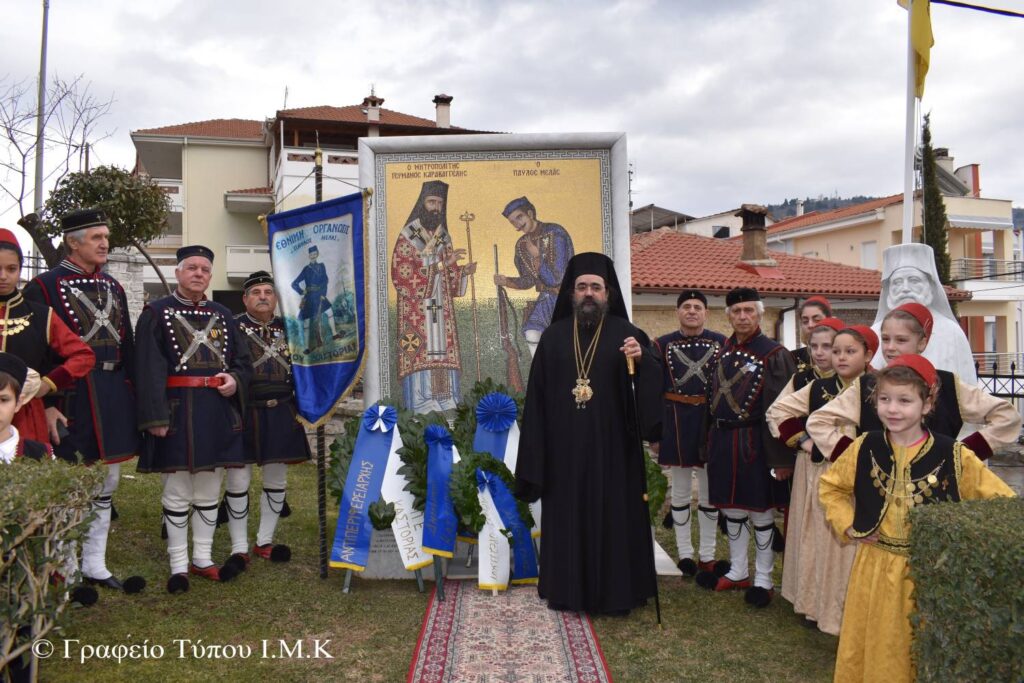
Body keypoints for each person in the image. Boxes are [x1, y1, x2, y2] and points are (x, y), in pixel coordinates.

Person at [819, 355, 1015, 683]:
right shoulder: (863, 446)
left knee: (920, 648)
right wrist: (848, 523)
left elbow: (999, 503)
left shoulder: (953, 454)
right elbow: (832, 488)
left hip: (927, 574)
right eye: (884, 399)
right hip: (875, 568)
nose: (893, 409)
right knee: (876, 644)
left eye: (905, 400)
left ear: (927, 404)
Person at [515, 252, 660, 615]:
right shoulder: (552, 338)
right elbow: (536, 402)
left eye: (596, 287)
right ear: (571, 294)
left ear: (608, 293)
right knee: (568, 520)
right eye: (582, 287)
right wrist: (536, 454)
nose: (589, 294)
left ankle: (618, 593)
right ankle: (567, 591)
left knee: (616, 518)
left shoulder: (628, 335)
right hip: (565, 453)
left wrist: (642, 361)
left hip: (616, 451)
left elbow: (654, 384)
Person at [23, 207, 145, 592]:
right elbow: (34, 352)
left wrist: (135, 397)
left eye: (106, 237)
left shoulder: (115, 288)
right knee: (71, 484)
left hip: (112, 394)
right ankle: (65, 566)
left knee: (107, 480)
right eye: (96, 237)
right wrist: (45, 403)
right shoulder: (43, 286)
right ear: (73, 243)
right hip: (68, 397)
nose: (105, 244)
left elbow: (127, 346)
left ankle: (94, 564)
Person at [135, 245, 252, 593]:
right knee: (177, 489)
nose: (199, 273)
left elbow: (241, 362)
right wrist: (155, 416)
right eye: (192, 268)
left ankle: (202, 558)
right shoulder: (155, 313)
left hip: (216, 410)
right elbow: (147, 368)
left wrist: (234, 379)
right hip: (175, 410)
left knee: (209, 486)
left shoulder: (224, 314)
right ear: (178, 273)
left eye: (204, 269)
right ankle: (177, 564)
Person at [807, 303, 1020, 463]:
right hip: (877, 490)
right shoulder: (866, 385)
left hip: (936, 493)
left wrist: (963, 454)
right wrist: (855, 458)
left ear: (922, 342)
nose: (890, 348)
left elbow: (1007, 417)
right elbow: (818, 422)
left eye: (901, 340)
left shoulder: (946, 383)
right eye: (886, 339)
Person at [767, 325, 876, 635]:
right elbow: (777, 412)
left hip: (863, 475)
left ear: (867, 355)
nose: (838, 357)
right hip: (822, 471)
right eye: (834, 350)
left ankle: (854, 610)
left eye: (846, 351)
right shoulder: (817, 388)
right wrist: (803, 441)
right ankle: (816, 605)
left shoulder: (878, 386)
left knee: (855, 540)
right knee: (821, 539)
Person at [695, 287, 795, 607]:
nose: (742, 317)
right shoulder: (722, 351)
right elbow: (709, 403)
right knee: (732, 508)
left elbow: (782, 410)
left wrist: (781, 458)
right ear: (728, 316)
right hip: (723, 441)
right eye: (737, 312)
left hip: (756, 442)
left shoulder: (774, 353)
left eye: (748, 311)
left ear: (760, 314)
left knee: (761, 511)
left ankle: (764, 579)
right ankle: (738, 571)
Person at [221, 271, 311, 569]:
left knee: (276, 479)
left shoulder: (292, 328)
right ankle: (237, 547)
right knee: (238, 479)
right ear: (245, 298)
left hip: (281, 410)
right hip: (242, 410)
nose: (262, 296)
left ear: (276, 298)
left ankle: (264, 541)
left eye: (268, 292)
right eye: (256, 292)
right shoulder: (231, 327)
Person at [651, 289, 727, 577]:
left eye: (697, 307)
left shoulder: (723, 343)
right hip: (676, 422)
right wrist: (657, 433)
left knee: (708, 493)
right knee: (680, 491)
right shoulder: (661, 345)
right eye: (686, 306)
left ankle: (707, 554)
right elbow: (654, 390)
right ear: (678, 312)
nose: (692, 311)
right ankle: (685, 553)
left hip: (710, 423)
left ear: (706, 313)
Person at [0, 229, 94, 444]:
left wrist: (47, 384)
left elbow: (83, 356)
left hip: (24, 416)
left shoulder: (42, 315)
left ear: (20, 270)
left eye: (11, 269)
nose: (3, 276)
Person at [391, 180, 476, 412]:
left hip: (440, 304)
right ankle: (421, 400)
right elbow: (402, 273)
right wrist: (440, 265)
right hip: (417, 307)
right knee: (422, 349)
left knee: (441, 349)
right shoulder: (409, 235)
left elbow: (448, 273)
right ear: (422, 204)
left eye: (439, 203)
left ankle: (445, 397)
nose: (436, 207)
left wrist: (461, 273)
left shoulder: (443, 236)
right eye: (431, 202)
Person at [871, 243, 977, 383]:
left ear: (930, 286)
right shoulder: (875, 331)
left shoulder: (951, 331)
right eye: (897, 282)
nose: (905, 289)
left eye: (914, 280)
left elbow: (967, 387)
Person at [492, 196, 574, 356]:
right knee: (532, 332)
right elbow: (528, 280)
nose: (517, 224)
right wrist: (506, 281)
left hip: (567, 299)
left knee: (565, 341)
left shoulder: (555, 233)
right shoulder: (522, 245)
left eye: (519, 217)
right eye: (512, 222)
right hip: (546, 299)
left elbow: (556, 278)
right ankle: (541, 373)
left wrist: (537, 257)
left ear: (530, 213)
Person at [290, 244, 340, 355]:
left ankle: (334, 334)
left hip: (320, 295)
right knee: (307, 322)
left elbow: (325, 280)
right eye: (311, 254)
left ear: (317, 254)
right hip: (309, 298)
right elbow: (294, 284)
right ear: (309, 256)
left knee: (329, 311)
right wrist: (301, 292)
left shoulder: (322, 266)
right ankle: (307, 348)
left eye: (314, 253)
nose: (313, 256)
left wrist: (323, 294)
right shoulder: (306, 269)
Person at [792, 296, 831, 373]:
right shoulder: (792, 358)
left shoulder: (841, 357)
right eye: (805, 321)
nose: (810, 325)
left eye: (817, 320)